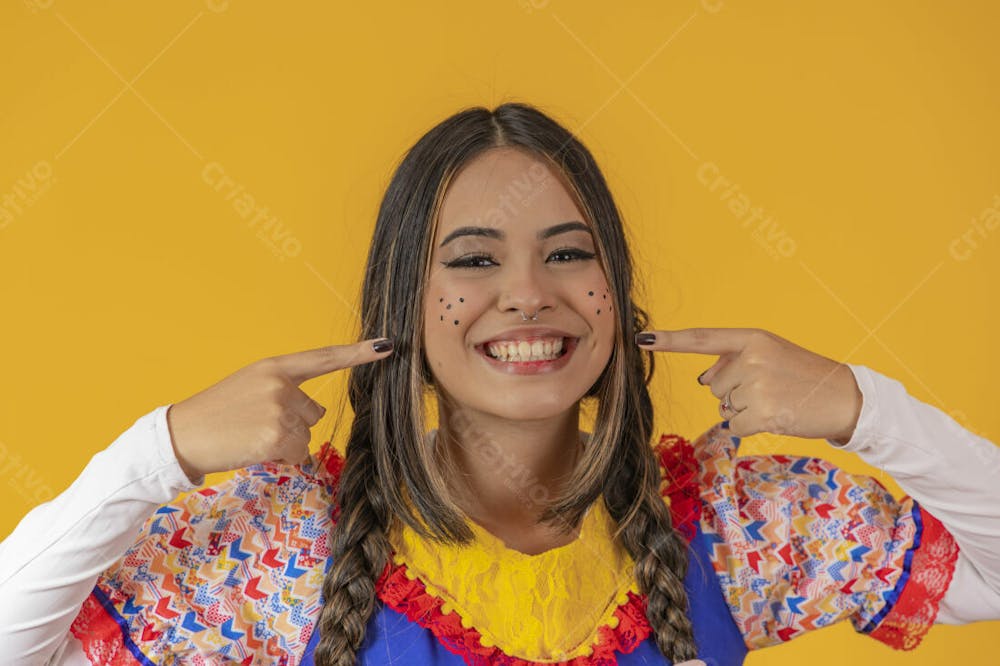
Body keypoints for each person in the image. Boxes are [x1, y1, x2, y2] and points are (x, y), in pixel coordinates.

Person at [1, 102, 998, 666]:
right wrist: (155, 453)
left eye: (568, 255)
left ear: (615, 290)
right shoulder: (286, 545)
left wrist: (863, 407)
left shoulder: (735, 526)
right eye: (472, 261)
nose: (526, 295)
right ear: (403, 298)